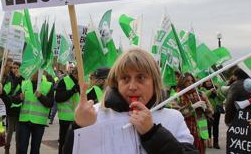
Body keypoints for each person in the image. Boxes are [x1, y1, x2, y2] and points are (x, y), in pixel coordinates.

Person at [63, 48, 197, 154]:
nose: (132, 87)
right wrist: (79, 127)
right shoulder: (96, 115)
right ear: (116, 83)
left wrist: (152, 133)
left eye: (141, 78)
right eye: (125, 79)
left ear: (154, 82)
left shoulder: (173, 118)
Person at [174, 73, 213, 153]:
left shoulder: (200, 94)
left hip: (201, 132)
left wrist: (206, 109)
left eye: (192, 80)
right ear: (182, 82)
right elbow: (177, 114)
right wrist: (192, 107)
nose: (191, 83)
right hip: (186, 133)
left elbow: (211, 111)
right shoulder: (177, 96)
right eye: (187, 81)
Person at [17, 70, 54, 154]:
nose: (33, 73)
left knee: (35, 149)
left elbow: (51, 103)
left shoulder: (48, 85)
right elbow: (15, 99)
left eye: (35, 71)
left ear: (40, 72)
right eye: (32, 71)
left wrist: (41, 97)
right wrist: (19, 98)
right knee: (22, 148)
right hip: (24, 121)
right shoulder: (24, 83)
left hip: (39, 123)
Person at [55, 64, 79, 154]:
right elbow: (58, 98)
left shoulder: (83, 82)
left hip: (79, 119)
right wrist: (72, 91)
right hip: (66, 119)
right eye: (78, 74)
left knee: (76, 145)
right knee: (64, 143)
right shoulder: (64, 81)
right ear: (74, 74)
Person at [3, 61, 24, 154]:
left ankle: (17, 149)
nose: (15, 69)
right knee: (10, 129)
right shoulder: (9, 78)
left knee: (19, 132)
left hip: (20, 108)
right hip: (11, 108)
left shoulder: (24, 79)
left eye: (17, 68)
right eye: (13, 68)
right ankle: (7, 148)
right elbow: (7, 94)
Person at [202, 79, 224, 149]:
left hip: (217, 111)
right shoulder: (202, 89)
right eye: (207, 81)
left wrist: (217, 92)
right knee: (208, 127)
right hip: (209, 112)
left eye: (210, 81)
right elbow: (203, 96)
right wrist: (210, 91)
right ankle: (209, 142)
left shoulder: (216, 88)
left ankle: (216, 143)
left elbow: (223, 98)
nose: (209, 83)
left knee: (216, 127)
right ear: (204, 83)